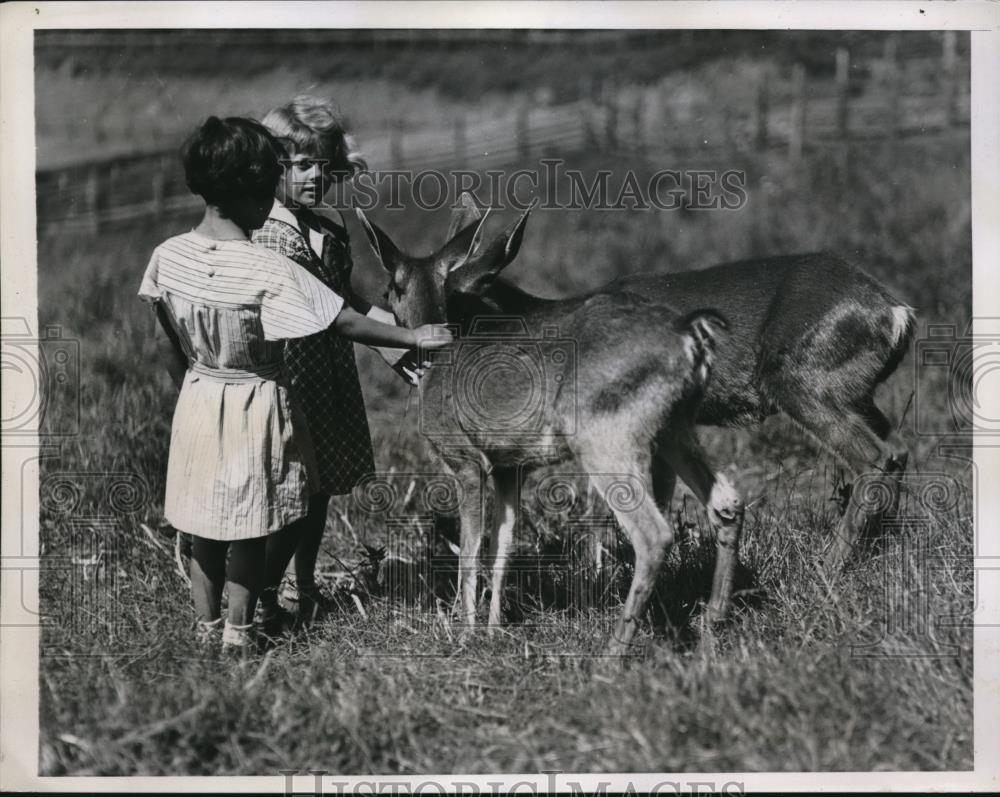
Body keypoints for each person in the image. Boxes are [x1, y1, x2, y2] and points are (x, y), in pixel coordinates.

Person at [139, 116, 451, 654]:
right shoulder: (266, 266)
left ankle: (205, 628)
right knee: (250, 523)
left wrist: (189, 390)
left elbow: (168, 337)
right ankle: (242, 633)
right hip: (255, 398)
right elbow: (342, 319)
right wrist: (415, 337)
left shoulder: (167, 255)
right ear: (256, 191)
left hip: (198, 396)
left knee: (205, 522)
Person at [252, 95, 420, 627]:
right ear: (273, 166)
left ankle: (303, 590)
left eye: (323, 167)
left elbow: (347, 300)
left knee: (321, 488)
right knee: (291, 491)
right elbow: (333, 314)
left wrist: (400, 347)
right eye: (301, 166)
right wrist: (406, 341)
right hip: (288, 375)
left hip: (330, 374)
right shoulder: (262, 232)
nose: (314, 178)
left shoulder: (326, 226)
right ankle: (259, 597)